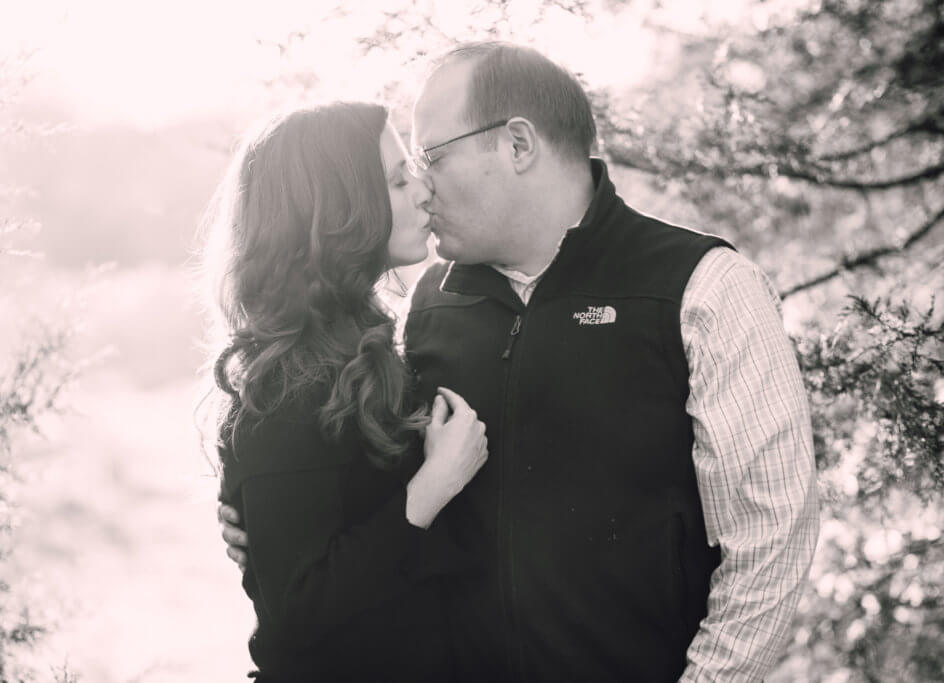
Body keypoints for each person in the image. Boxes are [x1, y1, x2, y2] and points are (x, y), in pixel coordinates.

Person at [220, 43, 820, 682]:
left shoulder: (702, 288)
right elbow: (346, 486)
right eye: (410, 168)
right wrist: (261, 516)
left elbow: (769, 540)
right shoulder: (429, 301)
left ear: (517, 146)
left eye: (434, 157)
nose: (422, 183)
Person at [203, 101, 489, 682]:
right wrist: (429, 489)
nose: (422, 190)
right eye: (396, 179)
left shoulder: (368, 345)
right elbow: (298, 609)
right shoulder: (283, 384)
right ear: (338, 208)